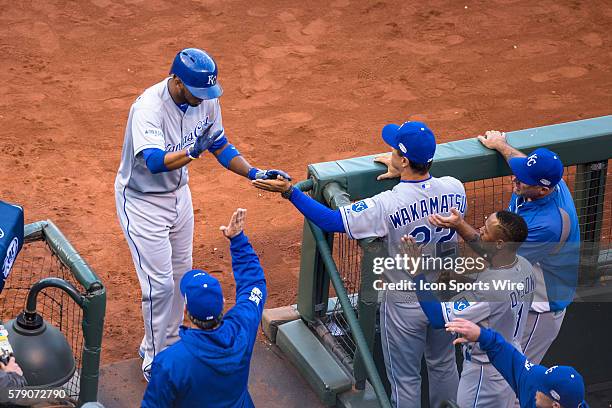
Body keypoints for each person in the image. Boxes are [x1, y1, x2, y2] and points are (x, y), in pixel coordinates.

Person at [254, 121, 465, 407]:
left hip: (404, 304)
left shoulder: (386, 205)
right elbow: (427, 192)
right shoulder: (456, 188)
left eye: (394, 150)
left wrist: (291, 191)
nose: (389, 152)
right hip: (445, 296)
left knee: (406, 381)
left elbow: (330, 220)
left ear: (404, 160)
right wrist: (403, 173)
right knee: (443, 364)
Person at [114, 47, 288, 381]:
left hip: (179, 195)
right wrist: (193, 151)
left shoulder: (205, 99)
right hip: (141, 201)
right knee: (159, 286)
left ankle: (169, 340)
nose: (203, 99)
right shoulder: (148, 109)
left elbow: (220, 144)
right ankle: (154, 357)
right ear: (176, 80)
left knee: (181, 276)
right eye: (197, 92)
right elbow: (152, 161)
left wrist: (254, 172)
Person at [407, 209, 535, 407]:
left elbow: (438, 318)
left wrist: (416, 274)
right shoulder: (525, 266)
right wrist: (464, 281)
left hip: (484, 375)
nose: (480, 230)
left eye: (486, 231)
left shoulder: (490, 289)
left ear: (500, 244)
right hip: (510, 363)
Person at [141, 208, 266, 408]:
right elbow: (255, 284)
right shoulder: (243, 328)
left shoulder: (171, 362)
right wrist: (238, 240)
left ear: (186, 313)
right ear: (223, 303)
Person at [478, 131, 580, 365]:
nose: (515, 178)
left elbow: (498, 260)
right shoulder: (549, 182)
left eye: (522, 179)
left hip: (539, 309)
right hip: (523, 295)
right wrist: (501, 145)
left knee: (514, 379)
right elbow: (518, 159)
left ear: (543, 190)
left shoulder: (547, 224)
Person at [446, 318, 588, 408]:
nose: (536, 390)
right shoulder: (535, 379)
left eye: (542, 390)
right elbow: (509, 356)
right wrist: (481, 335)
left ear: (555, 406)